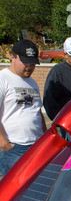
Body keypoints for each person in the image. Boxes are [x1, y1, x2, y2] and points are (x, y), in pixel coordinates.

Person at [0, 40, 47, 176]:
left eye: (32, 63)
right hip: (14, 147)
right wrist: (4, 144)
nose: (29, 67)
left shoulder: (32, 82)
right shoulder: (3, 79)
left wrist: (44, 136)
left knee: (36, 186)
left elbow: (37, 111)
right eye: (25, 62)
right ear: (12, 57)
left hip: (36, 144)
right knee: (17, 190)